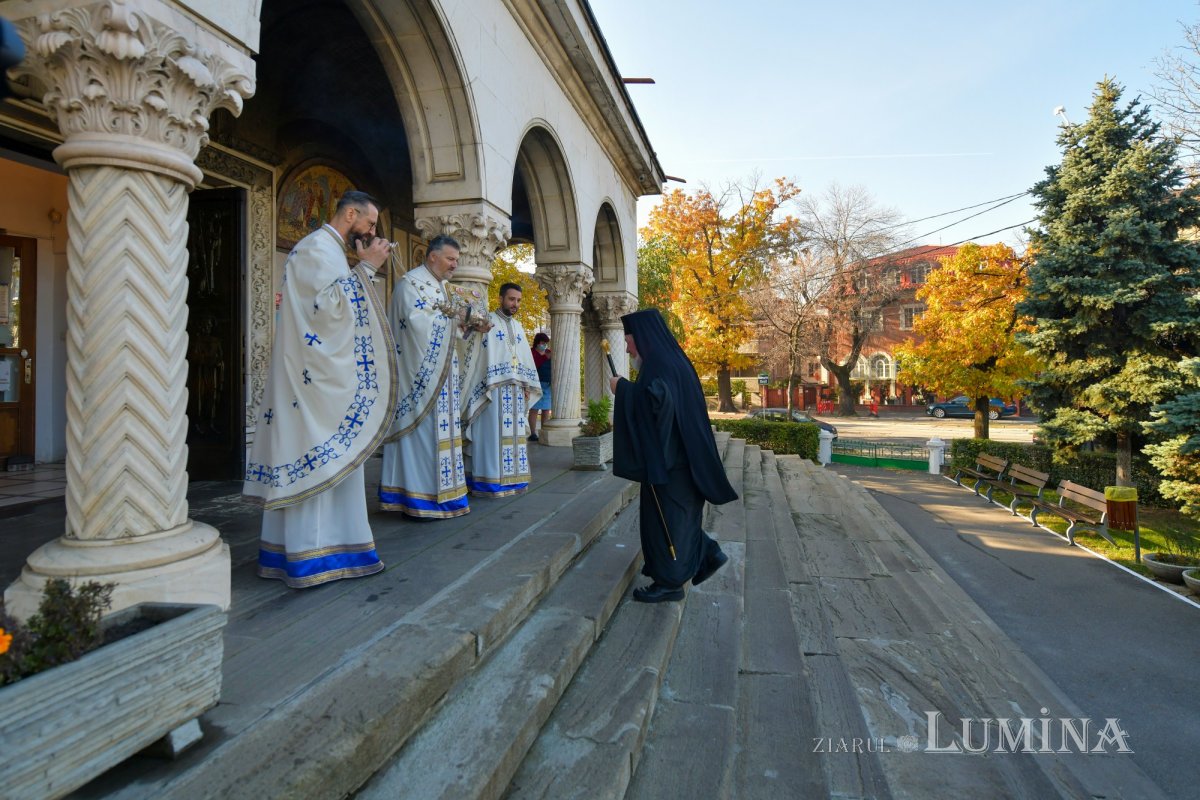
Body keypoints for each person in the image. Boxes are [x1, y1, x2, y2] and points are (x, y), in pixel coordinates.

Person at [243, 190, 396, 587]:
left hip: (318, 379)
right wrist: (368, 270)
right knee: (315, 452)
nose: (372, 232)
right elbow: (325, 313)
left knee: (336, 458)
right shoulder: (316, 250)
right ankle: (309, 554)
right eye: (370, 224)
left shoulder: (327, 251)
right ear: (350, 215)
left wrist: (363, 270)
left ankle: (338, 546)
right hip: (310, 385)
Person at [609, 308, 738, 603]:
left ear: (642, 338)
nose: (628, 347)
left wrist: (624, 390)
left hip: (673, 463)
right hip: (681, 457)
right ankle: (705, 553)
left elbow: (658, 402)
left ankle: (670, 583)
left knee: (669, 521)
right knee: (678, 518)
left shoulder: (660, 365)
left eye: (629, 341)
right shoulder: (669, 360)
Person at [379, 235, 490, 518]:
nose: (455, 264)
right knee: (423, 438)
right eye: (451, 258)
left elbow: (451, 329)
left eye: (456, 259)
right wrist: (458, 319)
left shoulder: (442, 287)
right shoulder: (410, 284)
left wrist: (471, 326)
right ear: (432, 257)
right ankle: (420, 499)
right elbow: (417, 327)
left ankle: (447, 495)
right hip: (420, 378)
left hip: (443, 378)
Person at [460, 283, 541, 497]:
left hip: (514, 394)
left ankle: (512, 480)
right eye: (511, 299)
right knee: (491, 436)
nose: (515, 304)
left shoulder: (519, 327)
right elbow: (476, 354)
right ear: (501, 298)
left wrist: (525, 384)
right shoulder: (488, 322)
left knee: (512, 438)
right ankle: (489, 482)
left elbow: (523, 359)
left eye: (518, 300)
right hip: (492, 391)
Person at [528, 332, 552, 441]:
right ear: (537, 343)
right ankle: (533, 433)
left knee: (546, 409)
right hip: (535, 384)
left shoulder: (549, 352)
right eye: (542, 343)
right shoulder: (531, 353)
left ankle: (544, 432)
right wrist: (545, 358)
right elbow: (532, 365)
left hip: (547, 385)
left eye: (546, 343)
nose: (544, 345)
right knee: (534, 409)